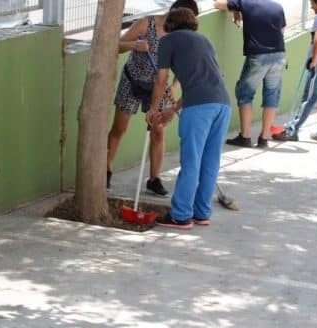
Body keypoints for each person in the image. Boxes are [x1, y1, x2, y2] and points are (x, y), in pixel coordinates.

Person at [147, 7, 232, 229]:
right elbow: (205, 81)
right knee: (210, 161)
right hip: (222, 104)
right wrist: (172, 109)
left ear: (169, 25)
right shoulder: (205, 41)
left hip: (199, 108)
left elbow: (161, 79)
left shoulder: (168, 41)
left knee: (191, 161)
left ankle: (181, 215)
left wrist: (153, 109)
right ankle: (201, 213)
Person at [106, 0, 199, 196]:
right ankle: (105, 170)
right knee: (119, 128)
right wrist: (133, 44)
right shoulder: (145, 24)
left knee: (158, 132)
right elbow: (117, 45)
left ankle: (154, 179)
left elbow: (184, 65)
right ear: (174, 12)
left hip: (159, 87)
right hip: (132, 80)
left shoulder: (182, 33)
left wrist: (174, 86)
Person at [214, 0, 287, 148]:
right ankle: (264, 138)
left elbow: (217, 4)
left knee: (244, 94)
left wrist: (236, 9)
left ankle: (245, 136)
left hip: (259, 55)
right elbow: (281, 31)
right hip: (279, 55)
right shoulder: (278, 7)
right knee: (272, 96)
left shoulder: (246, 3)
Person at [273, 0, 317, 143]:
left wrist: (315, 59)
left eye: (312, 3)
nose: (311, 7)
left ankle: (292, 130)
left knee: (308, 100)